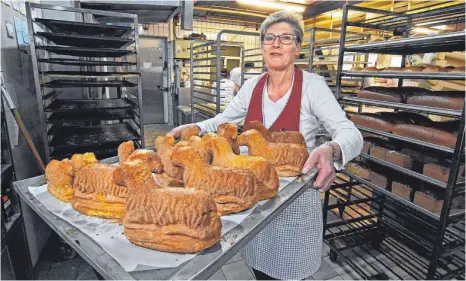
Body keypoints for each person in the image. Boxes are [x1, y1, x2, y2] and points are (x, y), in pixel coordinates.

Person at [169, 11, 362, 280]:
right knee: (261, 270)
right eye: (269, 38)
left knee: (289, 272)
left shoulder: (312, 86)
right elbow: (225, 119)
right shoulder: (252, 85)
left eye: (285, 38)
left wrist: (332, 149)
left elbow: (349, 132)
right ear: (262, 47)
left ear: (298, 47)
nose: (276, 44)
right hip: (257, 201)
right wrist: (196, 128)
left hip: (293, 203)